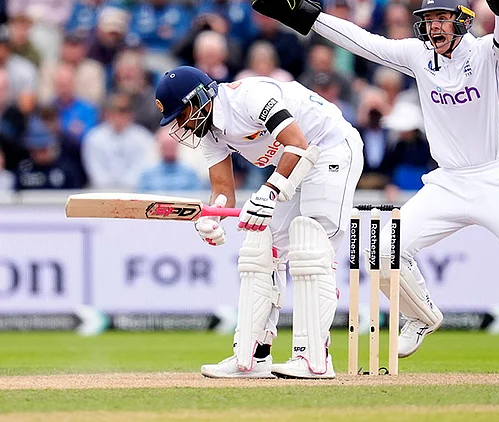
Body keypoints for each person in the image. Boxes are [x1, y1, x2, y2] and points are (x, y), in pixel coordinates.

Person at [245, 0, 499, 376]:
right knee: (382, 250)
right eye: (429, 19)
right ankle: (420, 317)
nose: (434, 27)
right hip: (448, 182)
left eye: (442, 18)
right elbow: (363, 42)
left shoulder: (489, 52)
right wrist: (301, 11)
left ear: (463, 21)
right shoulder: (419, 56)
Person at [153, 65, 363, 379]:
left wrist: (269, 191)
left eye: (182, 115)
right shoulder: (210, 133)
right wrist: (213, 217)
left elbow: (297, 143)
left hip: (331, 147)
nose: (182, 125)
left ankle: (314, 358)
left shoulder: (250, 97)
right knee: (263, 249)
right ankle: (253, 356)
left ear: (200, 99)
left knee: (312, 246)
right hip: (294, 162)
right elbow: (223, 190)